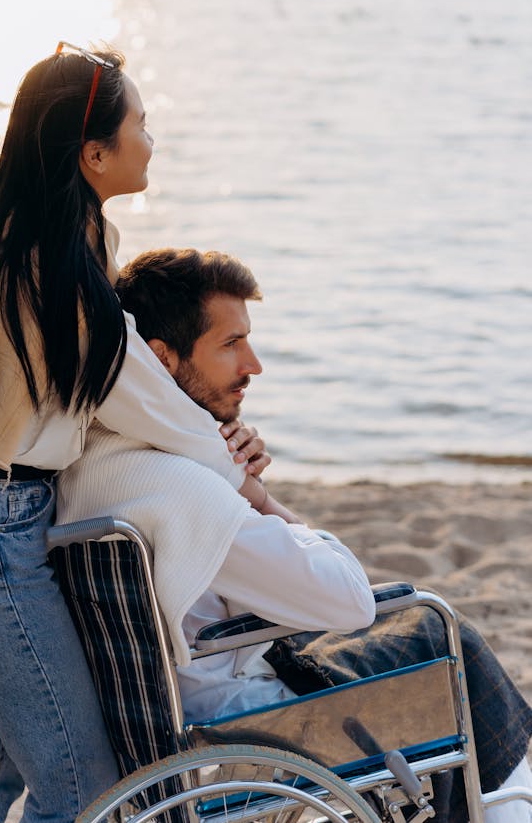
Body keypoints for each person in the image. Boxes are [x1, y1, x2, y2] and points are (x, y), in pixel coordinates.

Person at [0, 45, 273, 823]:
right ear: (94, 154)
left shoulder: (39, 242)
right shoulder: (60, 269)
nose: (150, 138)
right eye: (141, 124)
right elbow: (146, 399)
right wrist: (246, 480)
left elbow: (105, 402)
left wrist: (216, 448)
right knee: (85, 791)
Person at [56, 246, 532, 823]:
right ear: (161, 358)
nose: (253, 364)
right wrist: (257, 497)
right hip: (241, 708)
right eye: (230, 344)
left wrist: (219, 463)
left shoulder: (92, 467)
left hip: (176, 700)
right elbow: (349, 600)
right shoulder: (183, 491)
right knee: (439, 630)